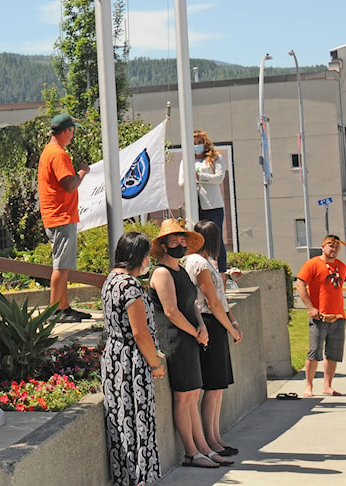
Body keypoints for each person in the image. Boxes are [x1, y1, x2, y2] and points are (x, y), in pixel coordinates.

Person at [148, 218, 231, 469]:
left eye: (183, 240)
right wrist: (196, 331)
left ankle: (204, 448)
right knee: (183, 397)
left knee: (194, 394)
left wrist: (201, 326)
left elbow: (192, 305)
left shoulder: (181, 270)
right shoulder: (161, 273)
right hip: (174, 339)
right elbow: (171, 312)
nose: (179, 244)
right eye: (174, 240)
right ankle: (191, 452)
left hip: (190, 336)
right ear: (163, 245)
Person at [101, 232, 166, 486]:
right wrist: (156, 364)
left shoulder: (110, 280)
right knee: (138, 426)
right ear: (139, 257)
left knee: (120, 425)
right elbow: (140, 333)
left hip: (115, 359)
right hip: (132, 364)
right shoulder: (130, 285)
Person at [186, 220, 243, 458]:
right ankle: (210, 439)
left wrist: (232, 321)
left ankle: (216, 436)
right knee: (212, 385)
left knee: (218, 386)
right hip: (210, 322)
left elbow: (221, 297)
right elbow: (212, 301)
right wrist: (231, 328)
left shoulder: (207, 261)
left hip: (217, 322)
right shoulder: (197, 263)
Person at [37, 113, 91, 323]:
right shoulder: (58, 154)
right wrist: (82, 173)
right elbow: (69, 185)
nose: (73, 135)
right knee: (60, 265)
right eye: (72, 130)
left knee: (64, 265)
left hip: (58, 214)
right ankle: (54, 312)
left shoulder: (49, 151)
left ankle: (64, 307)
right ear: (67, 131)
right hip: (61, 215)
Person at [296, 234, 346, 397]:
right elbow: (300, 283)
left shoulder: (341, 266)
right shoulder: (312, 264)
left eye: (337, 247)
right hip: (319, 317)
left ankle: (328, 386)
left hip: (338, 316)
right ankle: (309, 386)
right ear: (323, 246)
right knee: (314, 352)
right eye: (331, 246)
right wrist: (310, 307)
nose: (334, 250)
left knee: (333, 353)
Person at [178, 129, 229, 272]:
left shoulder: (215, 158)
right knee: (197, 238)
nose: (196, 145)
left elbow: (219, 177)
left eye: (199, 142)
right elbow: (181, 183)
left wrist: (200, 177)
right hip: (195, 204)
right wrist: (191, 180)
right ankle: (200, 269)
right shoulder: (186, 161)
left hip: (212, 205)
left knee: (216, 237)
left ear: (204, 143)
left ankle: (222, 270)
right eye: (193, 143)